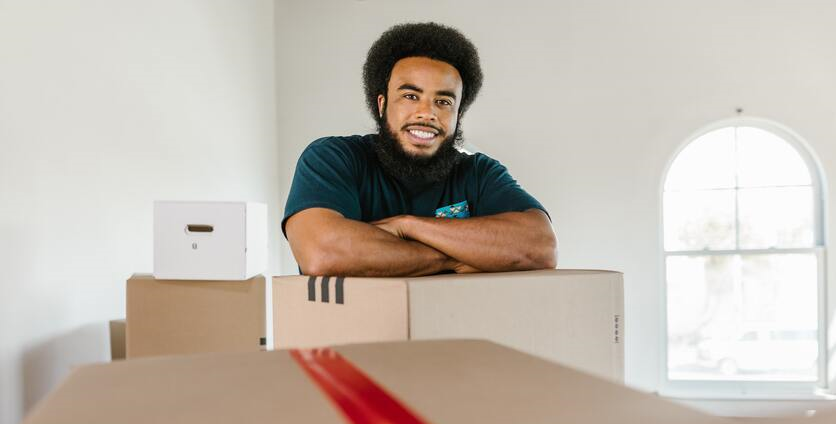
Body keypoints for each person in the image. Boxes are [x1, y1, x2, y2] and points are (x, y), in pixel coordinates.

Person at [283, 22, 556, 277]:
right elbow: (322, 253)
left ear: (457, 114)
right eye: (411, 96)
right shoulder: (333, 159)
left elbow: (541, 247)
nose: (427, 113)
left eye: (443, 101)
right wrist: (453, 259)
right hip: (352, 328)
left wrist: (407, 225)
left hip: (457, 327)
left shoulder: (477, 173)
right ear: (381, 104)